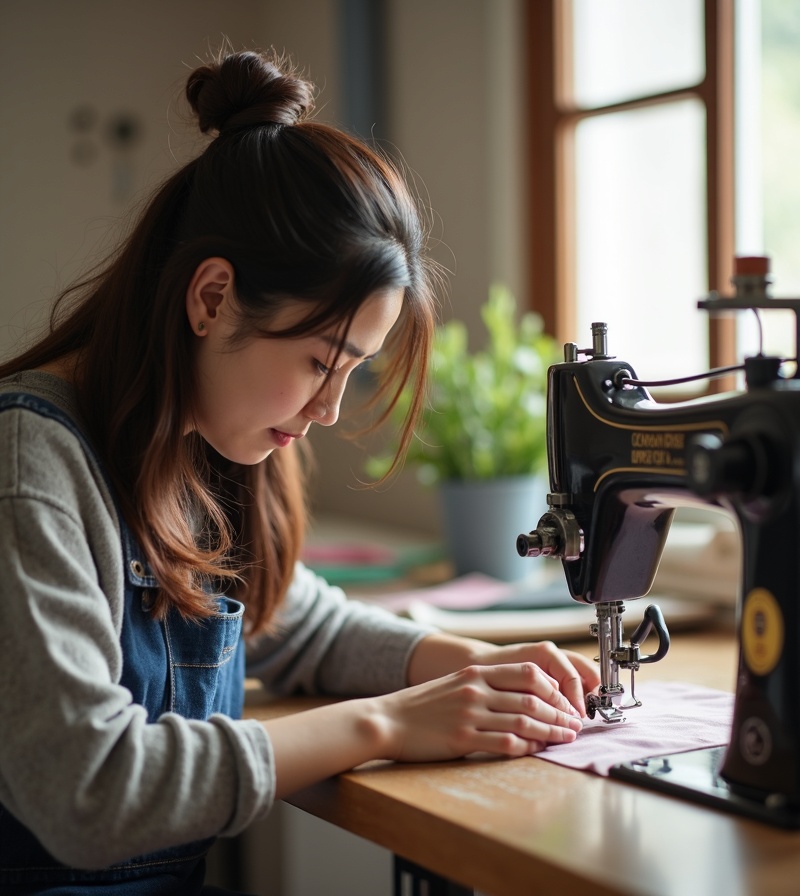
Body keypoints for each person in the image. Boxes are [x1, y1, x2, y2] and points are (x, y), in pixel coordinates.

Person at [0, 47, 600, 894]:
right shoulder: (32, 467)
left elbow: (297, 626)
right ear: (211, 299)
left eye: (352, 371)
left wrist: (471, 665)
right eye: (323, 361)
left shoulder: (195, 448)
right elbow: (88, 790)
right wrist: (388, 723)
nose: (329, 410)